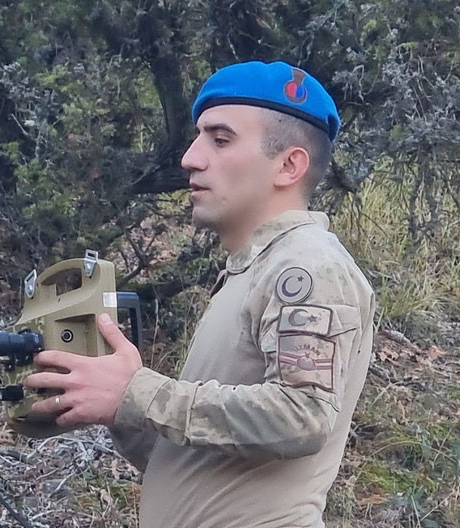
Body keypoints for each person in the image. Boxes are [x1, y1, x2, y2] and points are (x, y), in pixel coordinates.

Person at [25, 61, 376, 527]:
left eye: (220, 139)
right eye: (197, 138)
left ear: (289, 165)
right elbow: (195, 462)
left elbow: (303, 415)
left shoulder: (307, 266)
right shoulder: (253, 269)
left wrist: (140, 393)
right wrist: (112, 401)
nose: (191, 158)